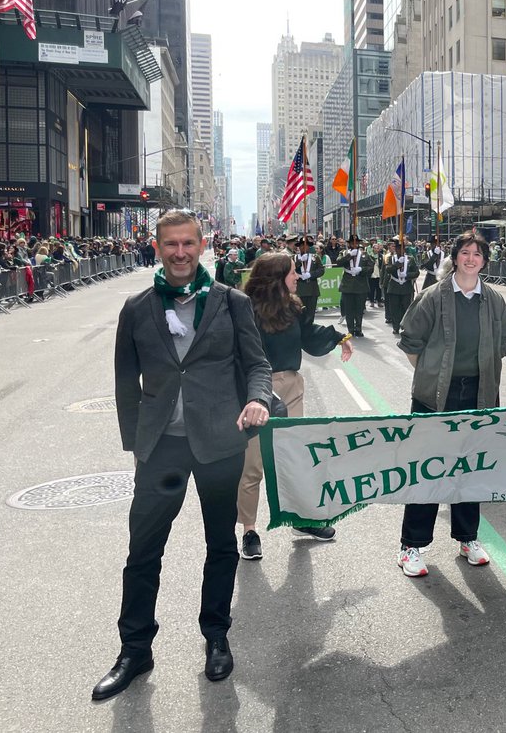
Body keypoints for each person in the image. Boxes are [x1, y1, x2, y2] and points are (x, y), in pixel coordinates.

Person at [96, 209, 272, 701]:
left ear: (201, 245)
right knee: (143, 551)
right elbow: (125, 382)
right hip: (161, 447)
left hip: (219, 443)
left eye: (188, 244)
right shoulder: (137, 308)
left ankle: (216, 636)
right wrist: (136, 445)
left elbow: (257, 364)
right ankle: (134, 650)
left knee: (220, 545)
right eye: (170, 244)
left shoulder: (231, 302)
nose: (179, 253)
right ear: (157, 248)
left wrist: (258, 398)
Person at [395, 231, 506, 576]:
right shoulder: (433, 296)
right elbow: (410, 342)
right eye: (465, 252)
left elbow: (503, 338)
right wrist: (431, 375)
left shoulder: (492, 299)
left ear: (485, 261)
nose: (471, 258)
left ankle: (467, 538)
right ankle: (411, 546)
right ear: (455, 257)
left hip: (477, 394)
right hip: (435, 397)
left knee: (471, 468)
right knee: (428, 469)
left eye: (477, 253)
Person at [237, 253, 353, 559]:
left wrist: (339, 337)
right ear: (276, 277)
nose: (298, 276)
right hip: (254, 393)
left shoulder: (293, 307)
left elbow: (309, 336)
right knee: (253, 465)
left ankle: (300, 519)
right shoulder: (243, 308)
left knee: (294, 459)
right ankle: (249, 531)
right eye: (292, 272)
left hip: (291, 388)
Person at [337, 234, 373, 337]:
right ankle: (350, 329)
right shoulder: (344, 253)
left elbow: (370, 267)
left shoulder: (364, 254)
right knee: (349, 309)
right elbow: (339, 262)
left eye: (356, 243)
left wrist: (361, 269)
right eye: (352, 243)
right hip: (347, 285)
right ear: (349, 244)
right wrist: (349, 256)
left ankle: (358, 328)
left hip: (360, 284)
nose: (354, 244)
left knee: (359, 309)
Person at [382, 239, 419, 335]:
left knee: (406, 308)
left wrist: (406, 275)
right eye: (397, 248)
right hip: (394, 286)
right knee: (394, 308)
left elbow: (416, 272)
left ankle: (405, 326)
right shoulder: (391, 258)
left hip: (406, 287)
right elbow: (388, 269)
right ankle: (396, 327)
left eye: (401, 248)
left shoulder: (410, 259)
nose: (399, 250)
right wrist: (397, 264)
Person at [294, 237, 325, 325]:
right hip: (299, 290)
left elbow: (321, 270)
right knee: (299, 314)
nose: (304, 247)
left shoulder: (315, 257)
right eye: (302, 246)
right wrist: (300, 261)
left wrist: (311, 274)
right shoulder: (294, 258)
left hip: (312, 289)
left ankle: (309, 330)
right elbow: (290, 269)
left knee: (310, 315)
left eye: (306, 246)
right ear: (298, 247)